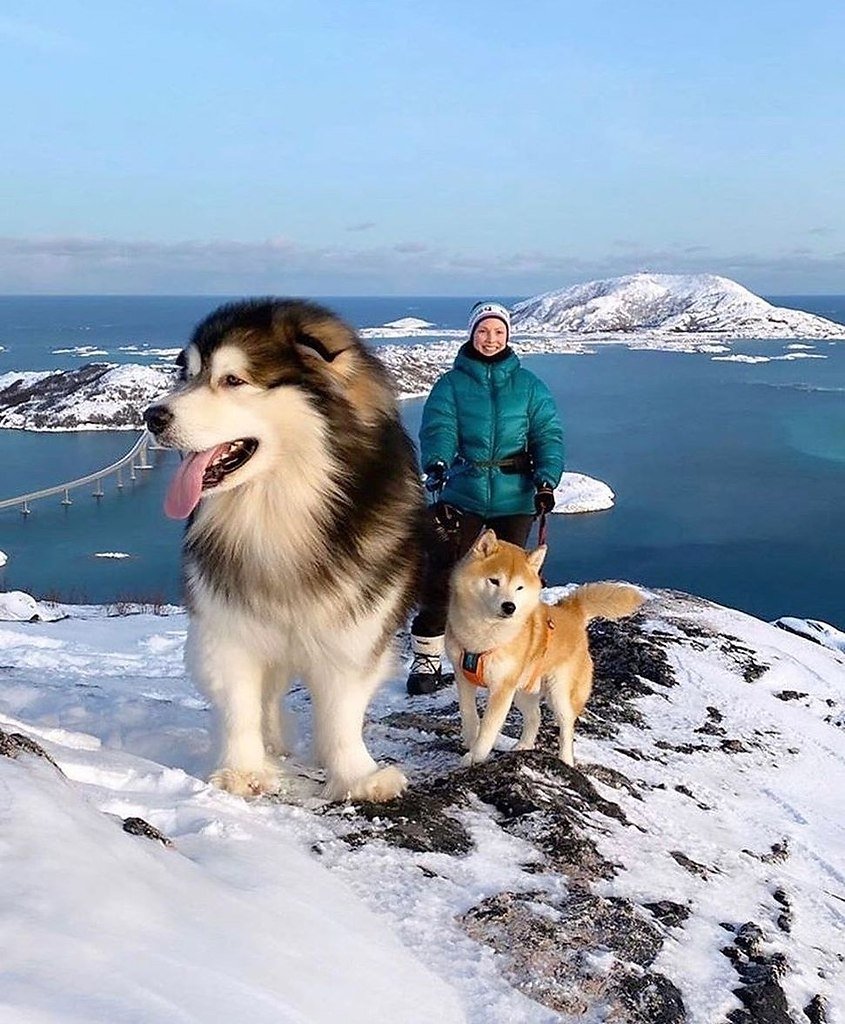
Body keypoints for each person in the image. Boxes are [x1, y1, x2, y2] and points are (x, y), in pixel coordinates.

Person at [407, 300, 565, 695]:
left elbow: (548, 434)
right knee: (446, 574)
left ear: (508, 336)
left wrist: (547, 479)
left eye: (498, 332)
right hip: (465, 492)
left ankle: (495, 658)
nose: (490, 339)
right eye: (483, 331)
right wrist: (438, 463)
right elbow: (438, 427)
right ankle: (427, 657)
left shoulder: (529, 386)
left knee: (509, 584)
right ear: (472, 334)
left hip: (516, 496)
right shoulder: (451, 385)